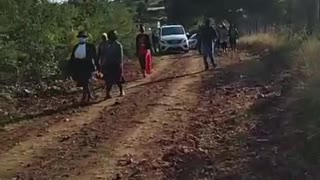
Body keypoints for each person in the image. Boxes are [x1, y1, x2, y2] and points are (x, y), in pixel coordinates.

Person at [69, 31, 99, 103]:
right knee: (83, 82)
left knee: (86, 81)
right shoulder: (76, 47)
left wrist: (97, 66)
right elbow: (72, 58)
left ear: (86, 38)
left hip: (87, 65)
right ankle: (88, 95)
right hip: (79, 66)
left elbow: (95, 57)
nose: (81, 39)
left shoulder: (90, 46)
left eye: (83, 37)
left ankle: (87, 96)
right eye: (80, 37)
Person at [100, 30, 125, 99]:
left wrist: (120, 65)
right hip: (108, 64)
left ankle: (121, 90)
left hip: (116, 64)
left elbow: (120, 57)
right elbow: (103, 54)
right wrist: (102, 64)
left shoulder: (118, 45)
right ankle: (107, 94)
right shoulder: (106, 44)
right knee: (108, 80)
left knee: (117, 79)